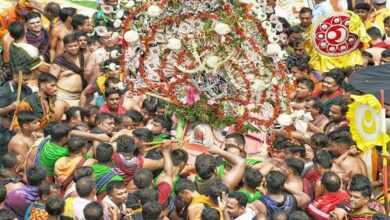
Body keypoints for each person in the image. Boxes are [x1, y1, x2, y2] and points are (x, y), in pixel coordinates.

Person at [50, 33, 87, 107]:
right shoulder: (59, 61)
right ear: (65, 47)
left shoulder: (81, 56)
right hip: (62, 97)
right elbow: (50, 81)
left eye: (75, 45)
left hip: (79, 97)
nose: (73, 48)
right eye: (70, 46)